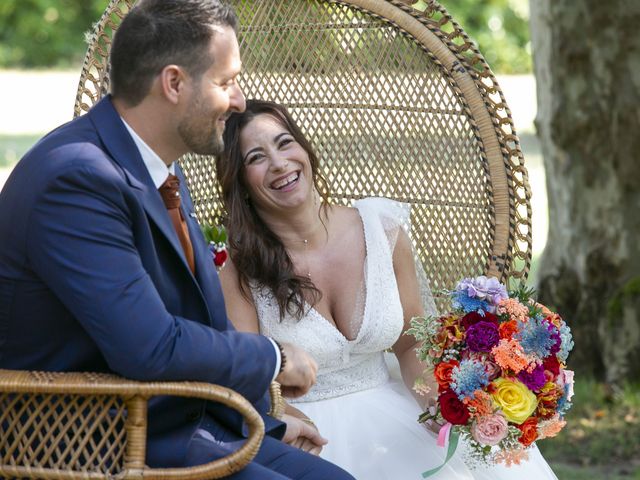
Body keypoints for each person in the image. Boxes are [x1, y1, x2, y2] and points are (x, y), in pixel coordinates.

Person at [0, 2, 356, 479]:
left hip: (181, 424)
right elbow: (149, 347)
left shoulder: (161, 166)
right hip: (96, 445)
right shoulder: (76, 179)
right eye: (227, 82)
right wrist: (274, 358)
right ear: (174, 84)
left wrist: (261, 420)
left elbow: (193, 319)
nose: (239, 101)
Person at [216, 99, 559, 479]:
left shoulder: (380, 230)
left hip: (396, 412)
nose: (279, 163)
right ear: (241, 182)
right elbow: (246, 375)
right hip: (303, 434)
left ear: (305, 150)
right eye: (256, 157)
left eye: (284, 143)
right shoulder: (239, 270)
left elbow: (411, 342)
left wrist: (441, 405)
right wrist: (283, 418)